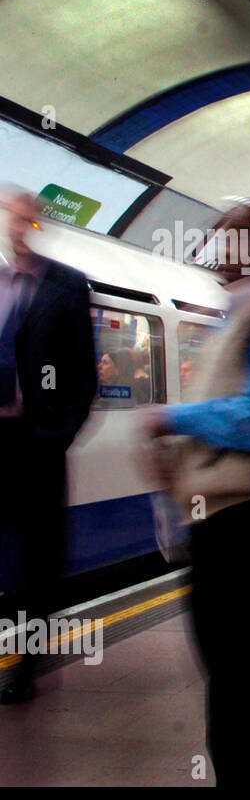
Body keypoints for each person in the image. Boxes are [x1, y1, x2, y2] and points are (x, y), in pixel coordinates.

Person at [143, 198, 250, 784]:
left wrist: (177, 419)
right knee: (242, 678)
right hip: (230, 523)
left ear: (245, 249)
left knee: (244, 681)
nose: (211, 257)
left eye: (221, 244)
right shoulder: (244, 311)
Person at [0, 189, 97, 704]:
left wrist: (57, 434)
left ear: (37, 222)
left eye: (25, 216)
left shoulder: (66, 284)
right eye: (9, 216)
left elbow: (84, 374)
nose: (17, 225)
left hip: (35, 444)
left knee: (32, 563)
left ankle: (23, 666)